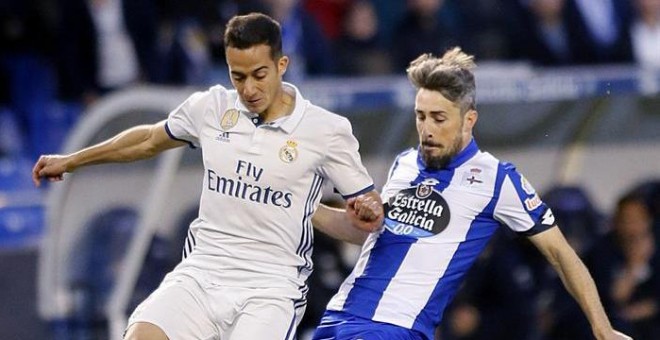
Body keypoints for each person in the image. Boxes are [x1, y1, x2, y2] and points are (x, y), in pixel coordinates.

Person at [32, 12, 383, 340]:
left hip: (270, 287)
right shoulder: (212, 107)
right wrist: (73, 160)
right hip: (202, 272)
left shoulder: (326, 131)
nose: (248, 89)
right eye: (238, 76)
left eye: (259, 75)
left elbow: (362, 222)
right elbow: (148, 140)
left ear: (281, 65)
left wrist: (366, 216)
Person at [311, 47, 631, 340]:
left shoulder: (497, 179)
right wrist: (304, 203)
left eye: (439, 118)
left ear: (469, 120)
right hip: (337, 319)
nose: (428, 129)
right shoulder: (404, 163)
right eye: (420, 117)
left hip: (393, 329)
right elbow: (370, 236)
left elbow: (562, 255)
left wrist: (602, 329)